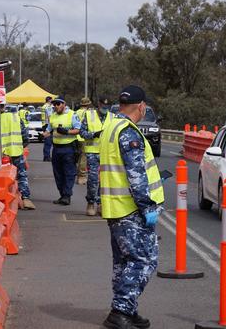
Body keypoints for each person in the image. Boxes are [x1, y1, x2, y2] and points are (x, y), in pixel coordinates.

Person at [99, 85, 163, 329]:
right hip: (131, 210)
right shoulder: (128, 132)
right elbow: (136, 176)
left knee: (123, 263)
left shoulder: (110, 128)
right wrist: (147, 207)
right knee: (144, 260)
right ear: (142, 107)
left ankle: (128, 308)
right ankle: (120, 310)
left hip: (115, 208)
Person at [0, 106, 34, 210]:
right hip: (16, 151)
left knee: (1, 177)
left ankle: (4, 199)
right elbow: (25, 137)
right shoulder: (16, 117)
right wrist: (19, 147)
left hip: (2, 155)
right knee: (21, 176)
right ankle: (26, 198)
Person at [42, 96, 81, 206]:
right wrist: (43, 134)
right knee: (58, 173)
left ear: (64, 104)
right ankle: (62, 194)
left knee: (69, 173)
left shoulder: (72, 114)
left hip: (69, 148)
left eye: (58, 104)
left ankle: (67, 195)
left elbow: (78, 129)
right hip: (56, 149)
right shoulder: (53, 116)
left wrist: (67, 132)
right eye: (54, 104)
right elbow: (49, 130)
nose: (56, 106)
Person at [79, 96, 115, 216]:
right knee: (93, 180)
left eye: (107, 107)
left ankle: (101, 203)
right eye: (103, 106)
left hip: (107, 153)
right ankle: (91, 202)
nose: (105, 109)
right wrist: (94, 134)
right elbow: (82, 132)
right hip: (92, 152)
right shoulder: (89, 115)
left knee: (105, 180)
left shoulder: (113, 117)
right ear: (98, 105)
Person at [75, 97, 93, 185]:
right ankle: (81, 176)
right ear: (88, 104)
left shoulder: (75, 112)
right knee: (83, 158)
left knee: (77, 157)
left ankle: (77, 175)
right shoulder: (88, 113)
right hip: (83, 138)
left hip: (75, 137)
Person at [41, 96, 54, 162]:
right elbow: (50, 116)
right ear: (49, 100)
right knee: (48, 142)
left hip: (44, 124)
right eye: (52, 100)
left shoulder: (43, 106)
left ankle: (46, 156)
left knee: (47, 142)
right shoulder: (48, 107)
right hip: (47, 125)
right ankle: (47, 157)